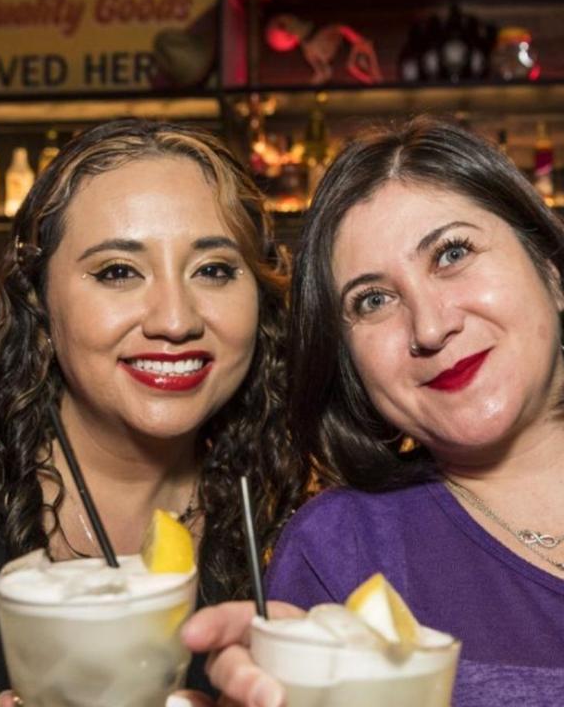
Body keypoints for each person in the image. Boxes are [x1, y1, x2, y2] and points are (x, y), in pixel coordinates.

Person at [184, 117, 564, 706]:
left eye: (452, 253)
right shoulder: (343, 555)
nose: (431, 327)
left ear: (551, 270)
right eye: (374, 300)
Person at [0, 119, 309, 704]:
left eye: (214, 270)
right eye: (119, 272)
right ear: (40, 301)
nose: (175, 320)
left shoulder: (305, 516)